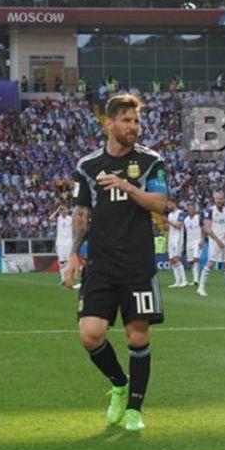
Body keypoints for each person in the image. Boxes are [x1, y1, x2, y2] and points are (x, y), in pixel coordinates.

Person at [63, 94, 168, 432]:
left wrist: (126, 185)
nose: (133, 127)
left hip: (138, 266)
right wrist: (72, 255)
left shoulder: (151, 161)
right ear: (109, 123)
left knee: (137, 337)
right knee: (90, 335)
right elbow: (82, 214)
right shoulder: (88, 166)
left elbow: (160, 203)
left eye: (136, 121)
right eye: (126, 120)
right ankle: (119, 384)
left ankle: (135, 409)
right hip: (101, 265)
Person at [196, 191, 225, 297]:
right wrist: (217, 240)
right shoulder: (209, 211)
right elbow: (207, 229)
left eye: (221, 199)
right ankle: (201, 287)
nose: (220, 201)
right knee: (211, 263)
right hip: (215, 240)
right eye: (218, 199)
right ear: (214, 199)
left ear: (224, 199)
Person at [49, 205, 75, 286]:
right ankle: (63, 278)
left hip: (68, 242)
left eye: (64, 210)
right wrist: (57, 210)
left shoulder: (70, 219)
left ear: (66, 211)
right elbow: (50, 218)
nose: (63, 212)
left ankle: (68, 278)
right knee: (61, 260)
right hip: (60, 242)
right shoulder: (58, 218)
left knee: (68, 260)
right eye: (61, 210)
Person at [165, 199, 188, 288]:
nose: (168, 206)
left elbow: (179, 226)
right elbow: (168, 228)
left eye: (169, 204)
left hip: (177, 239)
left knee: (175, 259)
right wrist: (165, 224)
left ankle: (184, 280)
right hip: (171, 238)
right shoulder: (170, 215)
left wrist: (168, 221)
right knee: (171, 260)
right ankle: (177, 281)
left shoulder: (181, 213)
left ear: (174, 203)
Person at [183, 202, 203, 284]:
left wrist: (202, 239)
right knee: (190, 261)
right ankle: (194, 278)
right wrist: (184, 243)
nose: (191, 210)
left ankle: (196, 280)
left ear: (195, 210)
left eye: (192, 209)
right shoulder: (186, 220)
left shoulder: (198, 218)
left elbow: (203, 228)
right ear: (187, 210)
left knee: (195, 259)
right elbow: (184, 232)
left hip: (197, 240)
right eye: (189, 209)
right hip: (189, 242)